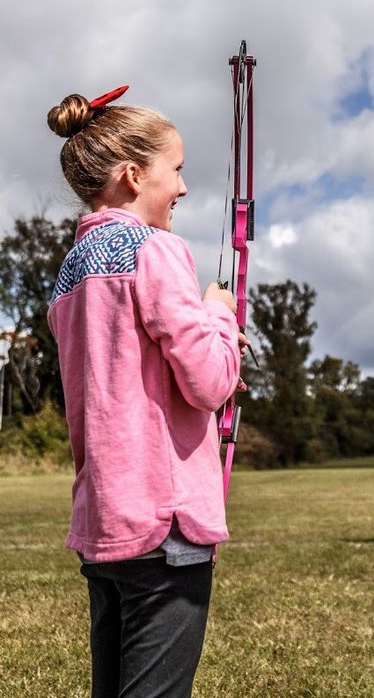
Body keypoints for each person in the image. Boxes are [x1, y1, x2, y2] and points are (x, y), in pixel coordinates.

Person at [46, 85, 245, 698]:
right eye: (176, 171)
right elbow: (210, 382)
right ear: (133, 175)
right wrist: (221, 315)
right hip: (165, 527)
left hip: (106, 521)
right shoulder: (157, 250)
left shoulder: (71, 269)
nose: (182, 188)